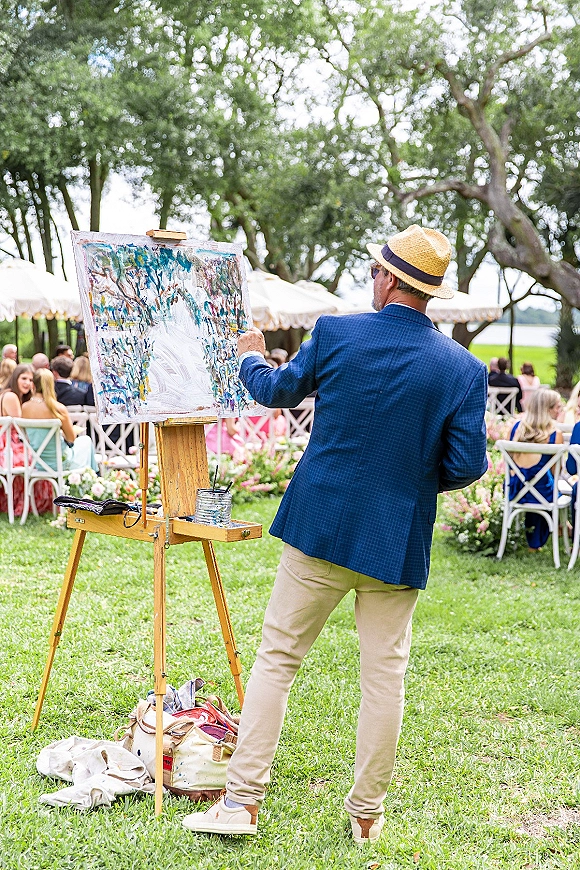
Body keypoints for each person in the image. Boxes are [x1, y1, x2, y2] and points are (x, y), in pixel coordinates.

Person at [182, 224, 488, 842]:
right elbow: (466, 465)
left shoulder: (337, 333)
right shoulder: (463, 369)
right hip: (396, 541)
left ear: (390, 279)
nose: (372, 278)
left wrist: (248, 351)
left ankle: (241, 804)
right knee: (384, 678)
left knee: (276, 660)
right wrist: (410, 482)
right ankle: (366, 817)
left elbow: (274, 390)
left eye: (376, 270)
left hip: (320, 528)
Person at [508, 389, 564, 551]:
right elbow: (556, 471)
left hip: (516, 490)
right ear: (547, 409)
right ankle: (560, 528)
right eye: (557, 407)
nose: (559, 411)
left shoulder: (516, 428)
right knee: (549, 486)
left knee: (537, 483)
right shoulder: (555, 434)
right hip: (543, 495)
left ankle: (537, 540)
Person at [0, 364, 53, 515]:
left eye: (30, 380)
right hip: (7, 449)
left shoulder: (15, 396)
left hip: (11, 446)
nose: (27, 383)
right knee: (39, 457)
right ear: (15, 378)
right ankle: (35, 503)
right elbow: (21, 429)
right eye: (23, 378)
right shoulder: (11, 396)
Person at [21, 369, 98, 472]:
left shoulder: (24, 407)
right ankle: (93, 481)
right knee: (86, 441)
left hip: (36, 462)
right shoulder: (57, 408)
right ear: (52, 385)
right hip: (59, 462)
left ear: (33, 385)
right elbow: (71, 438)